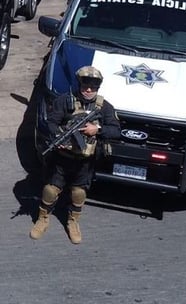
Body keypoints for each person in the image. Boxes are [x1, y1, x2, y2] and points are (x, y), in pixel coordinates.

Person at [30, 66, 120, 244]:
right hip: (62, 157)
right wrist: (59, 136)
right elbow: (51, 123)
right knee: (50, 190)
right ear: (79, 84)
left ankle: (73, 221)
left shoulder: (104, 107)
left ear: (98, 87)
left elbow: (116, 131)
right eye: (85, 86)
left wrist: (97, 129)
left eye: (93, 87)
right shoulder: (65, 101)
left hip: (85, 161)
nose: (88, 90)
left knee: (78, 193)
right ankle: (43, 218)